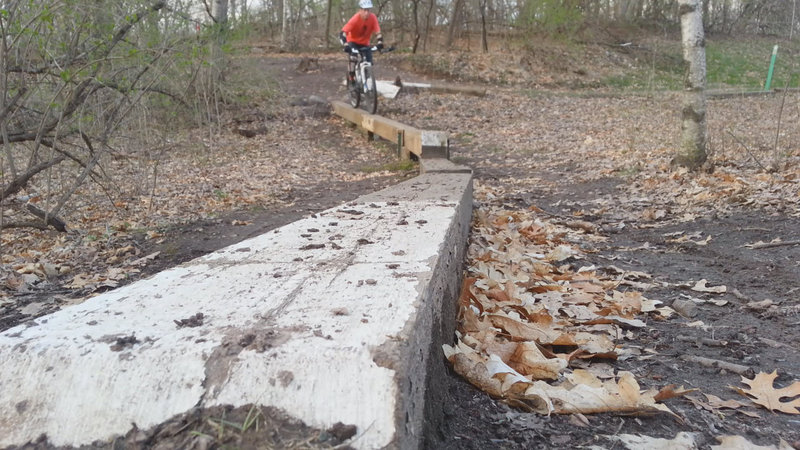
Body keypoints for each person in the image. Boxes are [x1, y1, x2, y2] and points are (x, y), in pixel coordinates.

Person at [339, 0, 384, 84]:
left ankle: (366, 80)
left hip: (365, 43)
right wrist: (345, 45)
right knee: (353, 59)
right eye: (364, 10)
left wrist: (380, 43)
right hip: (352, 42)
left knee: (369, 63)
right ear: (360, 10)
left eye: (368, 10)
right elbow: (343, 33)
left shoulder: (373, 18)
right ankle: (351, 77)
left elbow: (378, 32)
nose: (366, 13)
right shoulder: (355, 19)